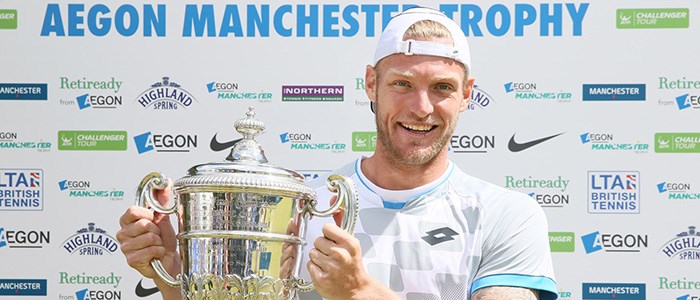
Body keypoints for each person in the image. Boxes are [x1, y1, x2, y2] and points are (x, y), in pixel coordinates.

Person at [117, 6, 557, 300]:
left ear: (467, 95)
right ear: (371, 84)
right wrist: (173, 274)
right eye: (402, 83)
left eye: (441, 87)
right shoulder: (306, 208)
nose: (421, 107)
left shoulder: (507, 214)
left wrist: (362, 291)